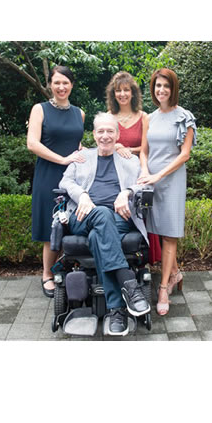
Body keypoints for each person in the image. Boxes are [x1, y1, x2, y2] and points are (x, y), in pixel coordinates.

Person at [59, 113, 152, 335]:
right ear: (94, 134)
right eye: (100, 131)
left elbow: (146, 186)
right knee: (101, 213)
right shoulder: (82, 157)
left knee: (97, 235)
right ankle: (129, 286)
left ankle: (116, 309)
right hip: (83, 216)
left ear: (118, 135)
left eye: (110, 131)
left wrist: (127, 192)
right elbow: (65, 181)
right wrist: (81, 195)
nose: (105, 135)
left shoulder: (130, 160)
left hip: (118, 220)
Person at [140, 68, 195, 315]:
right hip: (150, 181)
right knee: (153, 229)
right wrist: (144, 172)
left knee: (169, 234)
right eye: (157, 85)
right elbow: (144, 151)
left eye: (166, 86)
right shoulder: (148, 118)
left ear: (173, 89)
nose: (161, 90)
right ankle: (174, 273)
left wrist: (159, 175)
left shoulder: (184, 117)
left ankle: (163, 288)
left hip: (171, 181)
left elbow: (185, 154)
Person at [27, 66, 86, 298]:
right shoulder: (39, 110)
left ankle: (67, 268)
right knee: (50, 226)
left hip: (72, 177)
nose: (61, 87)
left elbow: (76, 144)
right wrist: (62, 159)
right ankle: (47, 275)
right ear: (50, 84)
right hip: (48, 174)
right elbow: (32, 143)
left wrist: (86, 153)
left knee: (71, 224)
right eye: (57, 82)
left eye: (66, 83)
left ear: (72, 85)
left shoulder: (79, 113)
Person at [106, 70, 160, 264]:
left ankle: (145, 258)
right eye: (118, 91)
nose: (122, 94)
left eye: (126, 90)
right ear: (113, 94)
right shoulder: (108, 116)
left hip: (138, 170)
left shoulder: (144, 117)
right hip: (114, 174)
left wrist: (126, 148)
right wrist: (115, 146)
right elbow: (102, 144)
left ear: (133, 93)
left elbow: (146, 148)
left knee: (141, 211)